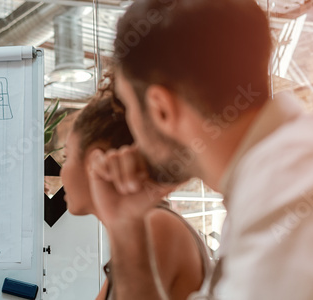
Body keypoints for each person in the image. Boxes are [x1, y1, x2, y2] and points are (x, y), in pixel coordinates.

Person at [90, 0, 313, 299]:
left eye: (127, 107)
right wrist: (126, 229)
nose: (130, 128)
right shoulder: (277, 174)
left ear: (161, 108)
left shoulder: (297, 179)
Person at [61, 73, 209, 300]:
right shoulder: (138, 227)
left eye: (66, 156)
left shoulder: (155, 224)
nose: (62, 173)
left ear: (95, 161)